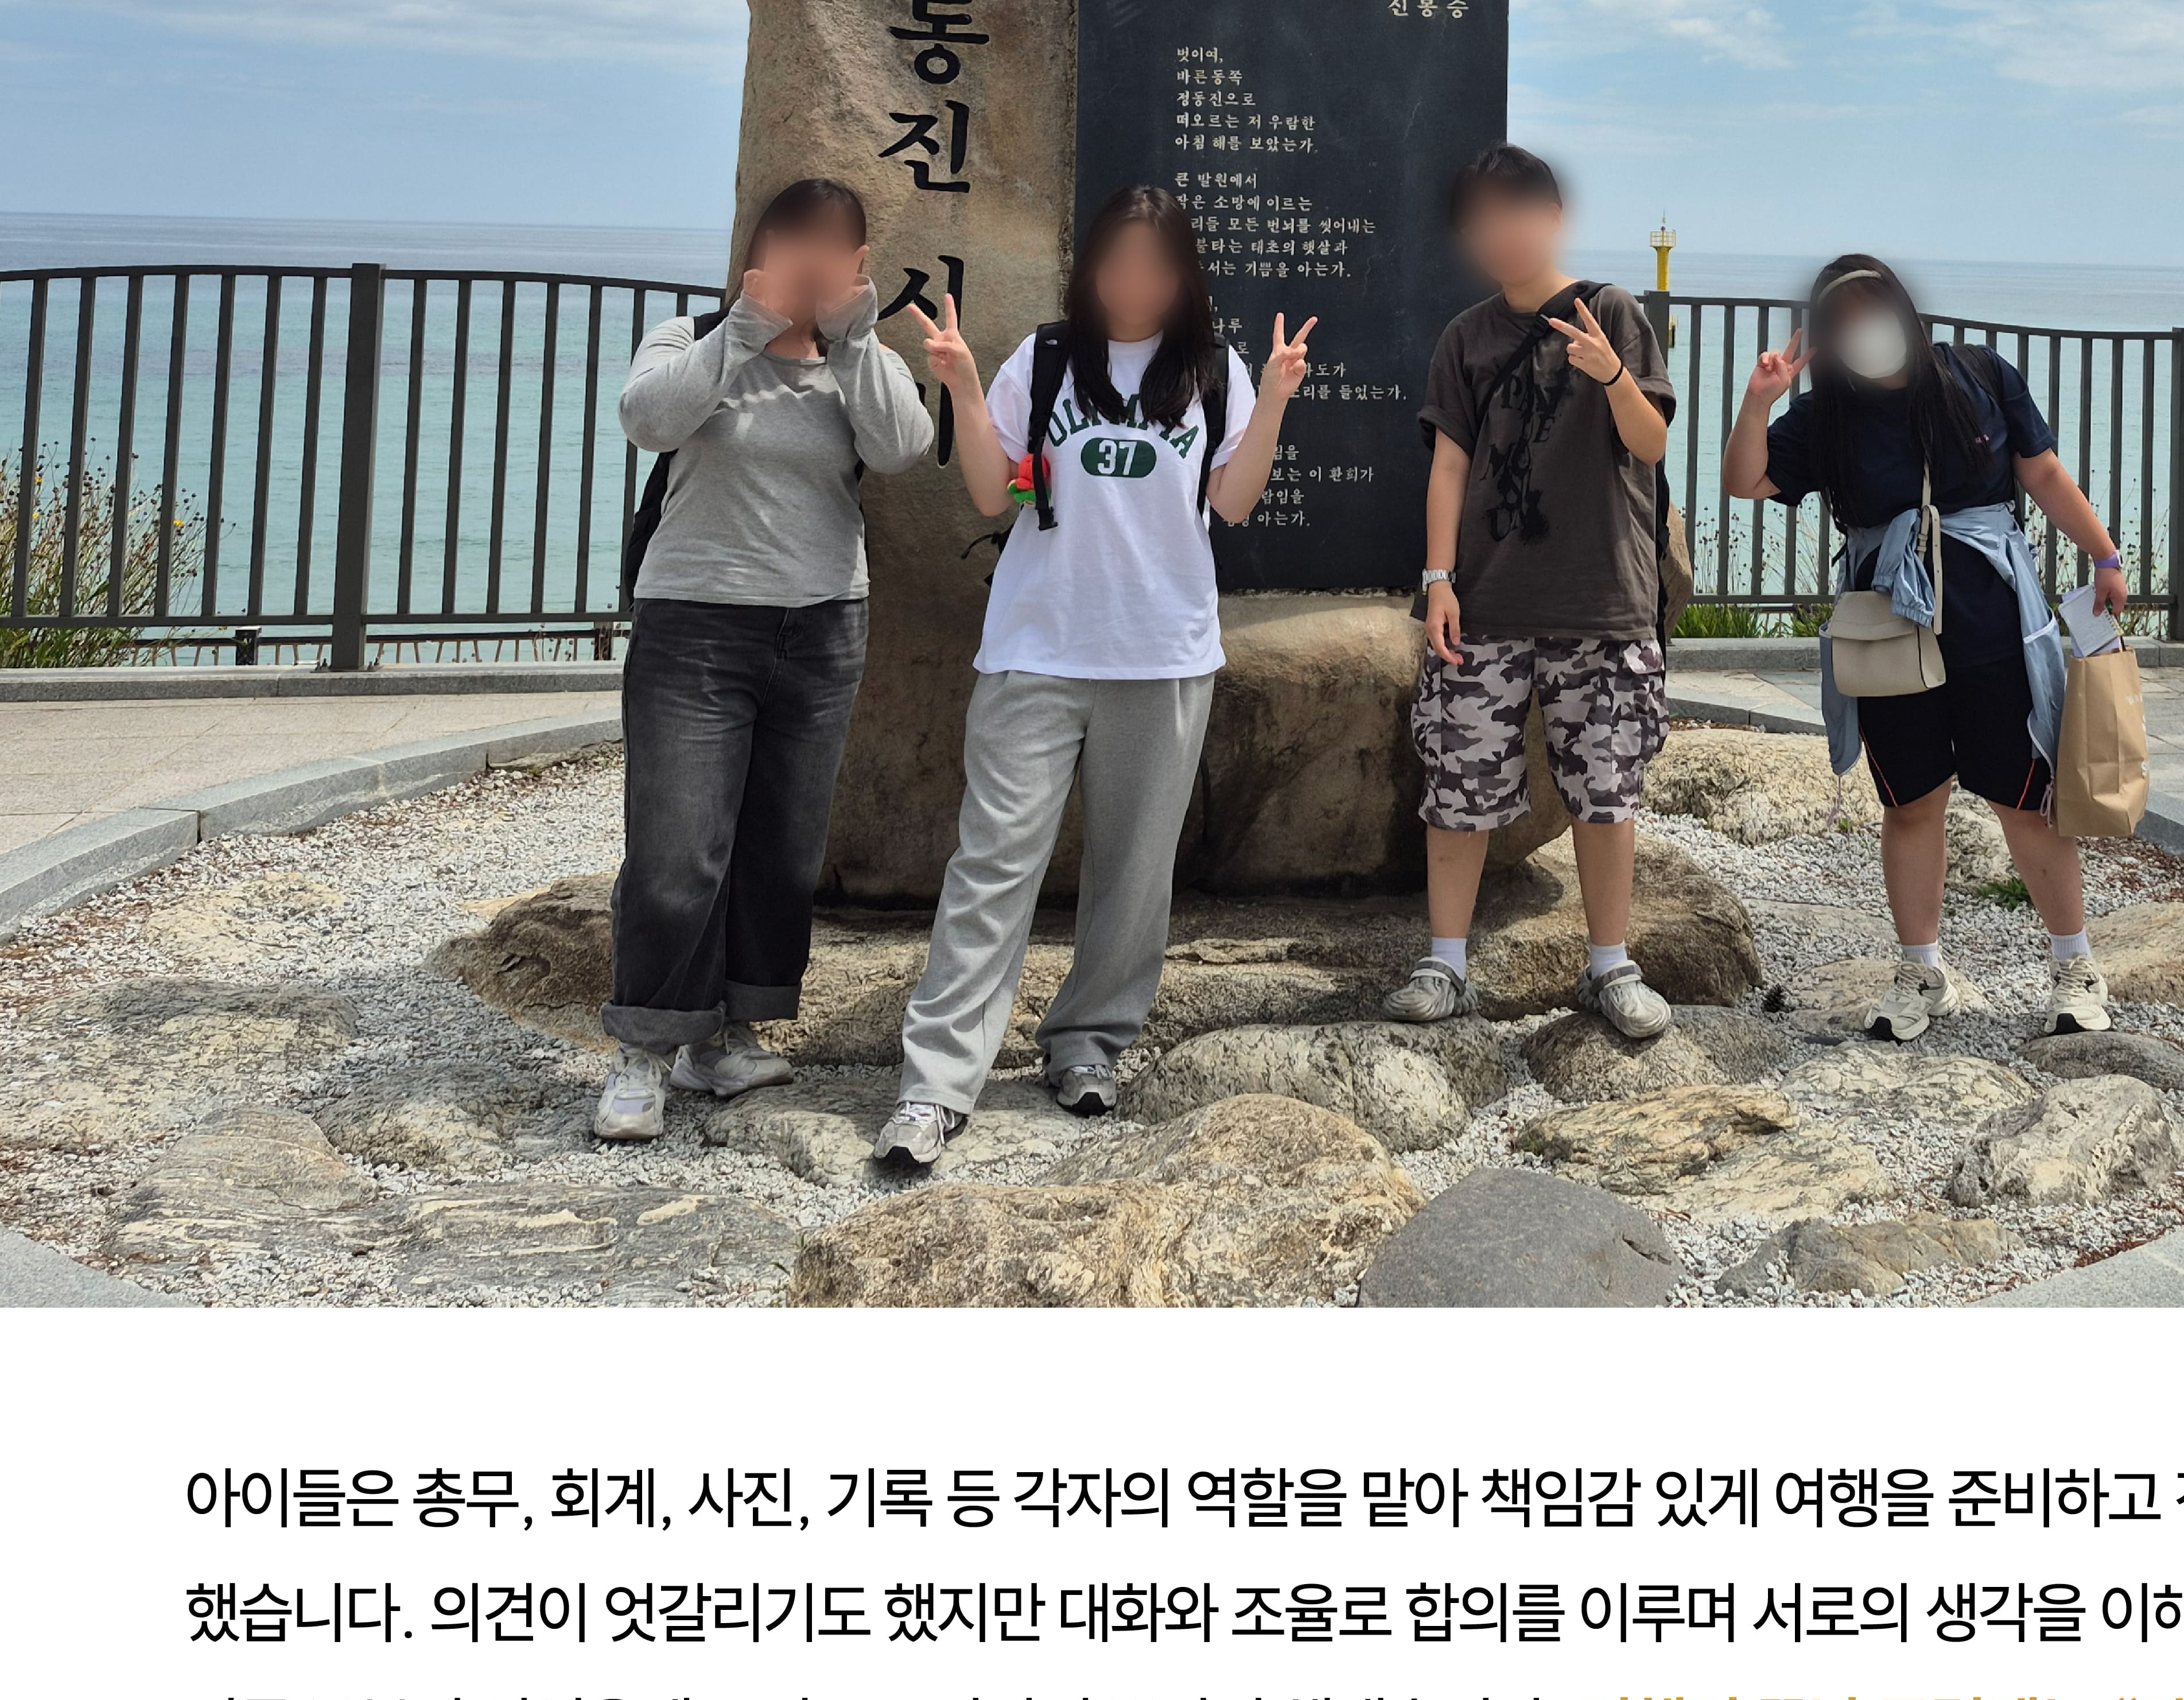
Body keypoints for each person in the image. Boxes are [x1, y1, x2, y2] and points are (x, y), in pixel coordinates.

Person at [873, 187, 1315, 1164]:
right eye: (1119, 262)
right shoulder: (1046, 358)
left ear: (1185, 277)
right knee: (993, 863)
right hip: (1037, 647)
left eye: (1157, 265)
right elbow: (991, 490)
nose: (1135, 283)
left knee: (1133, 872)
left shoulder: (1212, 370)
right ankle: (936, 1084)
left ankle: (1087, 1044)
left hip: (1162, 656)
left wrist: (1277, 397)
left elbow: (1234, 503)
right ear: (1091, 268)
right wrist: (963, 385)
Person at [593, 177, 935, 1141]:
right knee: (677, 846)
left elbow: (903, 448)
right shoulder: (693, 336)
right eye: (795, 240)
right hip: (695, 625)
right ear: (759, 249)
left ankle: (725, 1036)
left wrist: (854, 338)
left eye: (833, 246)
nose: (811, 260)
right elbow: (648, 420)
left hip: (822, 628)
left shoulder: (859, 362)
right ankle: (645, 1048)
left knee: (779, 848)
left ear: (857, 264)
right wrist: (746, 328)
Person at [1717, 252, 2128, 1041]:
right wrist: (1758, 402)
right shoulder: (1830, 413)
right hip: (1887, 634)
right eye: (1842, 321)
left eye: (1871, 310)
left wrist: (2105, 556)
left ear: (1903, 309)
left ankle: (2075, 968)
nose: (1863, 330)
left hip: (1992, 623)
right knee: (1910, 804)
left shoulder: (1979, 375)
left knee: (2025, 801)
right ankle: (1920, 972)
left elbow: (2042, 473)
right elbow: (1747, 481)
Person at [1383, 144, 1678, 1038]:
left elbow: (1652, 442)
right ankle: (1446, 963)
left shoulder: (1612, 312)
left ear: (1552, 219)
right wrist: (1439, 579)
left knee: (1607, 787)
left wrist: (1612, 375)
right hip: (1487, 599)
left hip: (1602, 599)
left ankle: (1610, 964)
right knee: (1461, 779)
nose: (1501, 237)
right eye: (1483, 224)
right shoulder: (1465, 337)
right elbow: (1449, 466)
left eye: (1517, 216)